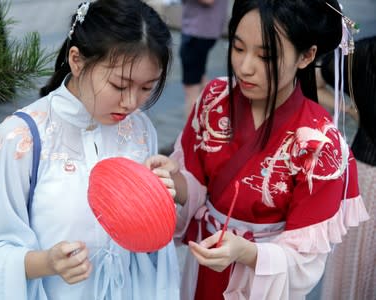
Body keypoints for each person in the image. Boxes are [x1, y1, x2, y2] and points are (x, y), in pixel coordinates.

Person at [0, 1, 180, 299]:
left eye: (146, 88)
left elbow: (148, 243)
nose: (131, 103)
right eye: (119, 85)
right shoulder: (20, 139)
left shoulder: (138, 130)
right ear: (77, 60)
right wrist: (46, 262)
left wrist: (158, 199)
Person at [145, 0, 370, 299]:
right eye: (238, 48)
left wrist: (248, 252)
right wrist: (175, 183)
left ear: (306, 56)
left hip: (263, 281)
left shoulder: (321, 145)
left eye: (265, 56)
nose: (245, 67)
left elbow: (305, 257)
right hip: (204, 267)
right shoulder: (214, 99)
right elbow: (196, 181)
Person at [316, 36, 376, 300]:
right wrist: (348, 108)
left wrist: (351, 109)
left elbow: (313, 74)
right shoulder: (365, 52)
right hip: (367, 179)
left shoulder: (365, 51)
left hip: (366, 175)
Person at [179, 0, 229, 118]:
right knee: (200, 79)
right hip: (203, 29)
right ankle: (213, 118)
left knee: (191, 88)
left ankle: (191, 133)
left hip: (198, 30)